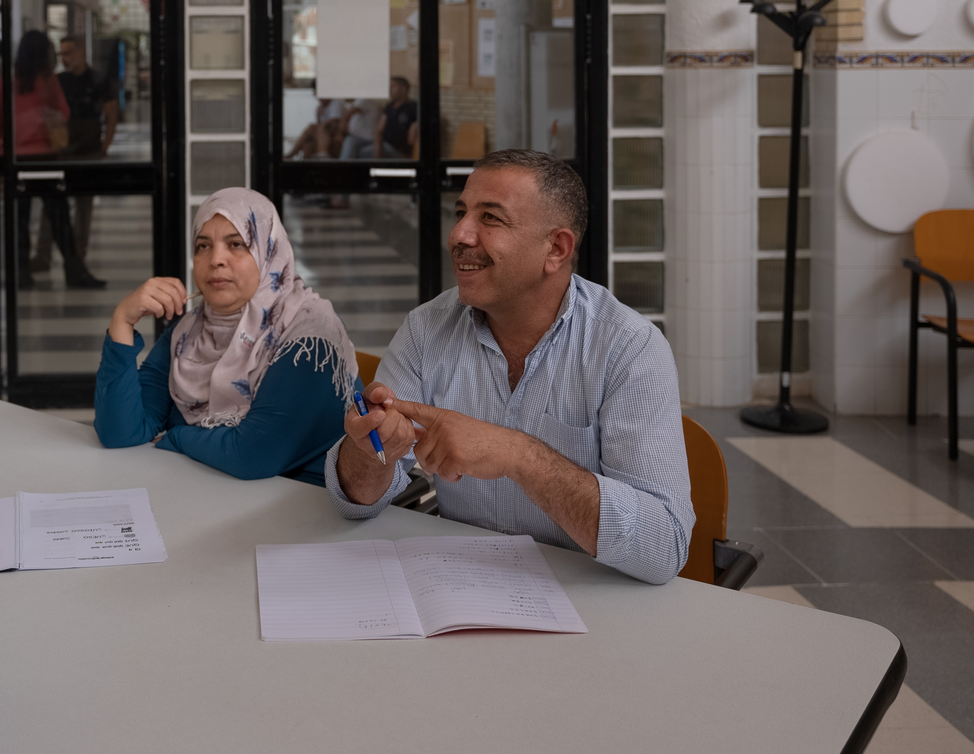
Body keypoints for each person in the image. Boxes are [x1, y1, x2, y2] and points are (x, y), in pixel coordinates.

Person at [331, 149, 694, 585]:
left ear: (556, 249)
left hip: (588, 602)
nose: (459, 234)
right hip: (461, 587)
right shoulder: (427, 329)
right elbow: (358, 499)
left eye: (490, 219)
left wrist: (519, 455)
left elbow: (663, 548)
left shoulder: (629, 349)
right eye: (462, 212)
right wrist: (370, 451)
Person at [94, 188, 357, 485]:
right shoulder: (189, 333)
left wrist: (177, 436)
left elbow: (251, 456)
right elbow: (121, 432)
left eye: (236, 244)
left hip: (308, 514)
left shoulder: (309, 339)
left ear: (268, 252)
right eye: (203, 246)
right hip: (211, 497)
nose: (216, 259)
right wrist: (123, 319)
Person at [12, 29, 103, 290]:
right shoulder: (47, 79)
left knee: (20, 218)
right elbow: (63, 113)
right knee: (60, 218)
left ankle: (21, 272)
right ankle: (75, 271)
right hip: (46, 159)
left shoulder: (9, 80)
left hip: (17, 159)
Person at [30, 35, 119, 269]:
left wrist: (104, 146)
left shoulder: (99, 81)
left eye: (68, 53)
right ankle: (42, 256)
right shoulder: (57, 81)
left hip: (88, 152)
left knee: (84, 208)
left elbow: (112, 115)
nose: (65, 59)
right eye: (62, 54)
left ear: (82, 52)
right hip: (61, 152)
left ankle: (78, 258)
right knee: (52, 208)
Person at [375, 76, 419, 159]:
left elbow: (436, 118)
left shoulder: (413, 107)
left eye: (393, 87)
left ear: (403, 89)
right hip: (384, 147)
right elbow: (379, 130)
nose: (390, 90)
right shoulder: (389, 107)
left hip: (401, 152)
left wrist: (416, 124)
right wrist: (378, 148)